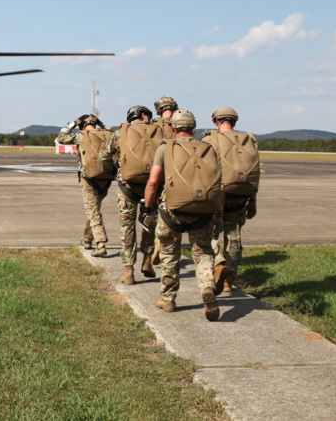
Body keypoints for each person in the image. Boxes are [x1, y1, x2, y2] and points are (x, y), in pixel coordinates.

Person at [144, 109, 223, 321]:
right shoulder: (209, 148)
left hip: (172, 212)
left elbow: (153, 182)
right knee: (204, 251)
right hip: (203, 212)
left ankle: (168, 299)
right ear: (193, 127)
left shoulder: (165, 148)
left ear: (172, 127)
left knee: (169, 253)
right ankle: (207, 286)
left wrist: (148, 208)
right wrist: (218, 213)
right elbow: (218, 184)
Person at [99, 105, 161, 284]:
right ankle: (147, 259)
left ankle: (128, 271)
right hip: (152, 187)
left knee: (127, 228)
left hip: (127, 187)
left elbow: (104, 156)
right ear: (143, 115)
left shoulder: (120, 132)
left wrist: (112, 172)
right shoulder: (159, 132)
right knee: (149, 223)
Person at [202, 106, 260, 293]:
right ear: (234, 122)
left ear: (217, 121)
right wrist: (253, 200)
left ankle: (218, 261)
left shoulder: (211, 138)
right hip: (241, 196)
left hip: (218, 195)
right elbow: (254, 172)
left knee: (210, 233)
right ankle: (229, 281)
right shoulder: (249, 139)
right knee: (233, 236)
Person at [57, 114, 112, 257]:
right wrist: (102, 124)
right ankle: (87, 239)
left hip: (89, 179)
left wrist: (71, 125)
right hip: (105, 179)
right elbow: (111, 131)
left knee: (93, 212)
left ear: (82, 125)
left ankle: (100, 243)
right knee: (93, 209)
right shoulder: (109, 135)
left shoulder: (81, 136)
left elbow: (61, 138)